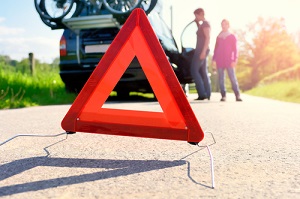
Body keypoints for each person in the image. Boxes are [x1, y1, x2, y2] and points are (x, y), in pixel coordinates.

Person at [212, 19, 242, 102]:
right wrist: (214, 59)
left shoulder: (232, 36)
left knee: (232, 78)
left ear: (228, 25)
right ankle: (223, 96)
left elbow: (235, 49)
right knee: (221, 79)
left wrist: (234, 59)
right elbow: (215, 49)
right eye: (222, 24)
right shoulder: (218, 37)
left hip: (229, 60)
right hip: (219, 60)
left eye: (225, 24)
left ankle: (237, 95)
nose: (223, 26)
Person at [191, 8, 211, 100]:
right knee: (203, 71)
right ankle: (207, 93)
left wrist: (203, 51)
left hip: (201, 50)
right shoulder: (202, 24)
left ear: (201, 14)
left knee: (194, 71)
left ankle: (202, 94)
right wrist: (196, 23)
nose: (195, 17)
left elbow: (207, 38)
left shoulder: (206, 24)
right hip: (202, 50)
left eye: (196, 15)